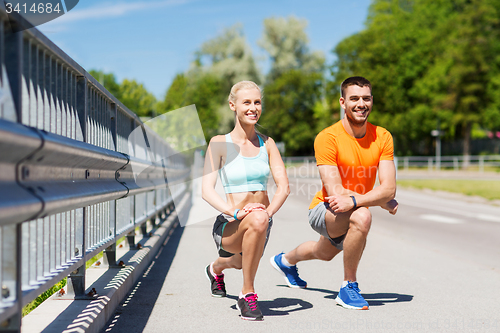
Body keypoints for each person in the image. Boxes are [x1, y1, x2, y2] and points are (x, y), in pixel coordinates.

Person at [270, 76, 398, 310]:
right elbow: (336, 193)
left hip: (351, 205)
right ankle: (348, 287)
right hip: (325, 208)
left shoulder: (383, 136)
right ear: (343, 102)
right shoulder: (327, 137)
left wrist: (370, 198)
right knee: (362, 216)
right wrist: (377, 201)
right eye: (354, 98)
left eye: (366, 98)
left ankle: (286, 261)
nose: (361, 104)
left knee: (323, 252)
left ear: (372, 101)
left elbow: (389, 188)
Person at [202, 81, 289, 321]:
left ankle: (215, 269)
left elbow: (284, 187)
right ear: (233, 105)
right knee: (244, 256)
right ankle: (247, 294)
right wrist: (236, 212)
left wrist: (267, 213)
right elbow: (207, 191)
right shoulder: (219, 143)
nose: (253, 108)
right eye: (247, 102)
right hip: (230, 223)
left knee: (241, 263)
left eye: (257, 102)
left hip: (261, 222)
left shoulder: (267, 144)